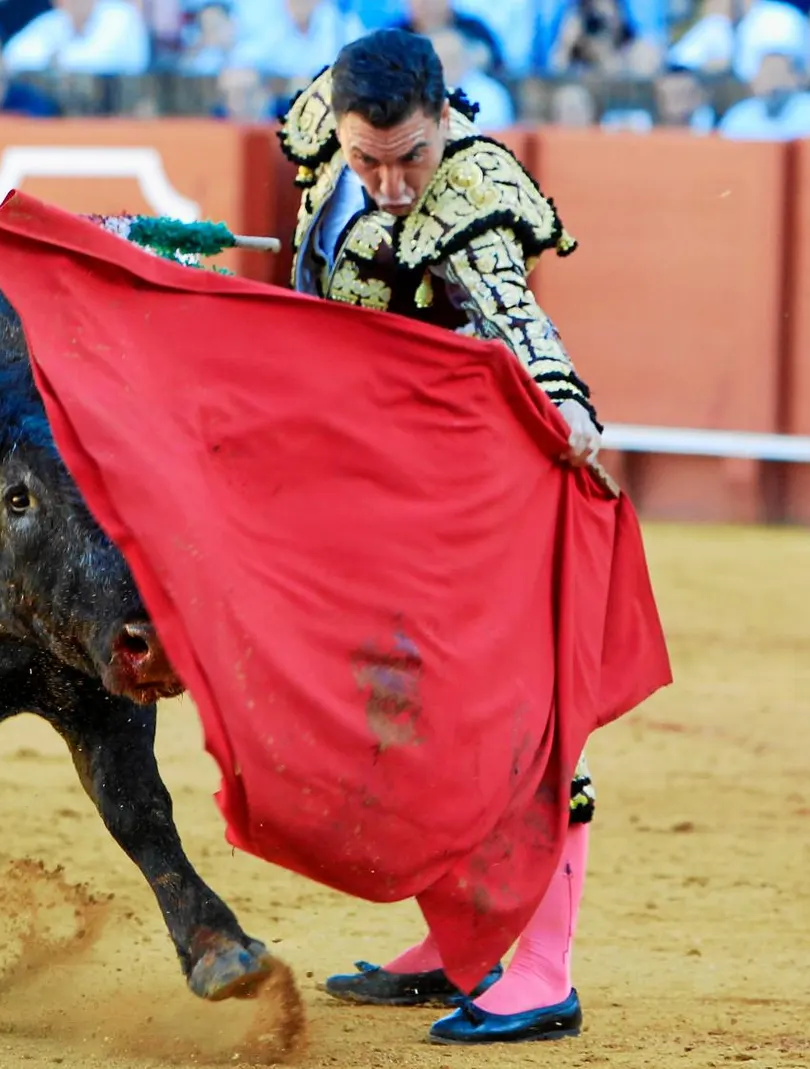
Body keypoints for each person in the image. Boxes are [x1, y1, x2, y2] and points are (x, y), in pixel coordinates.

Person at [276, 27, 601, 1046]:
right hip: (372, 495)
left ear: (443, 120)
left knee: (514, 728)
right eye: (367, 158)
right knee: (395, 715)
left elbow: (517, 320)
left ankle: (543, 968)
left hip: (477, 501)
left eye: (407, 155)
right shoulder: (330, 138)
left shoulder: (466, 195)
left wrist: (572, 414)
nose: (387, 182)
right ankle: (458, 938)